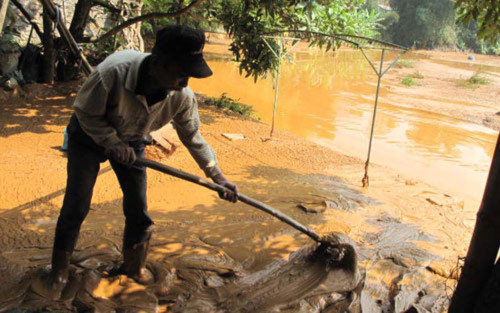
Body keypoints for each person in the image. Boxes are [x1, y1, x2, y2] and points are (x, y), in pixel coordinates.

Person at [47, 25, 239, 289]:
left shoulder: (181, 96)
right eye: (181, 73)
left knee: (139, 208)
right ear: (159, 63)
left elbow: (193, 137)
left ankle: (133, 267)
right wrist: (111, 142)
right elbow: (84, 112)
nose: (185, 83)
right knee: (76, 205)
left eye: (189, 76)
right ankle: (59, 270)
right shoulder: (111, 73)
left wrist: (217, 176)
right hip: (88, 137)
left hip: (133, 139)